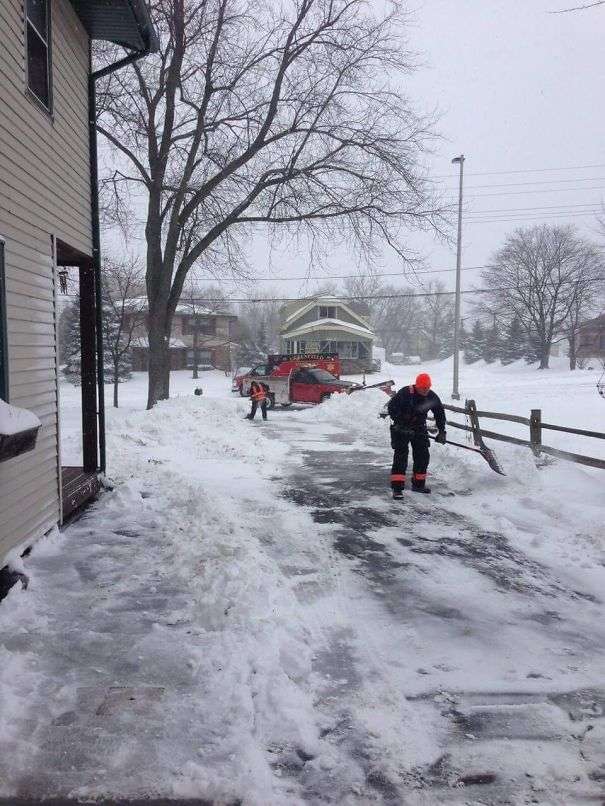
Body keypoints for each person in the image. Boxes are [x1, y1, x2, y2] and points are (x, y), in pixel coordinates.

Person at [386, 372, 446, 498]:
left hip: (419, 428)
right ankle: (397, 488)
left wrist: (442, 431)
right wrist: (401, 423)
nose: (425, 390)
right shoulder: (406, 393)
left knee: (423, 456)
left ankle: (418, 485)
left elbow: (439, 413)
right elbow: (391, 408)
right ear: (417, 385)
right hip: (400, 428)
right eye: (423, 388)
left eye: (428, 388)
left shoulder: (431, 397)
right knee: (401, 456)